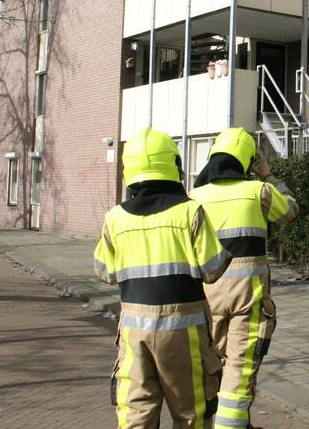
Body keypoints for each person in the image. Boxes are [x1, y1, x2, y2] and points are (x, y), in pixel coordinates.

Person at [93, 127, 230, 428]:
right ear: (174, 165)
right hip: (185, 332)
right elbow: (213, 268)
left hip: (134, 333)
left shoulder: (115, 218)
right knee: (191, 413)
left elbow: (105, 271)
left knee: (136, 414)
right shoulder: (190, 212)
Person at [189, 128, 298, 429]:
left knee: (210, 368)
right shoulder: (258, 191)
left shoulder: (193, 197)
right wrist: (268, 175)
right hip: (247, 300)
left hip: (205, 301)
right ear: (247, 163)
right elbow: (290, 210)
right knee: (239, 368)